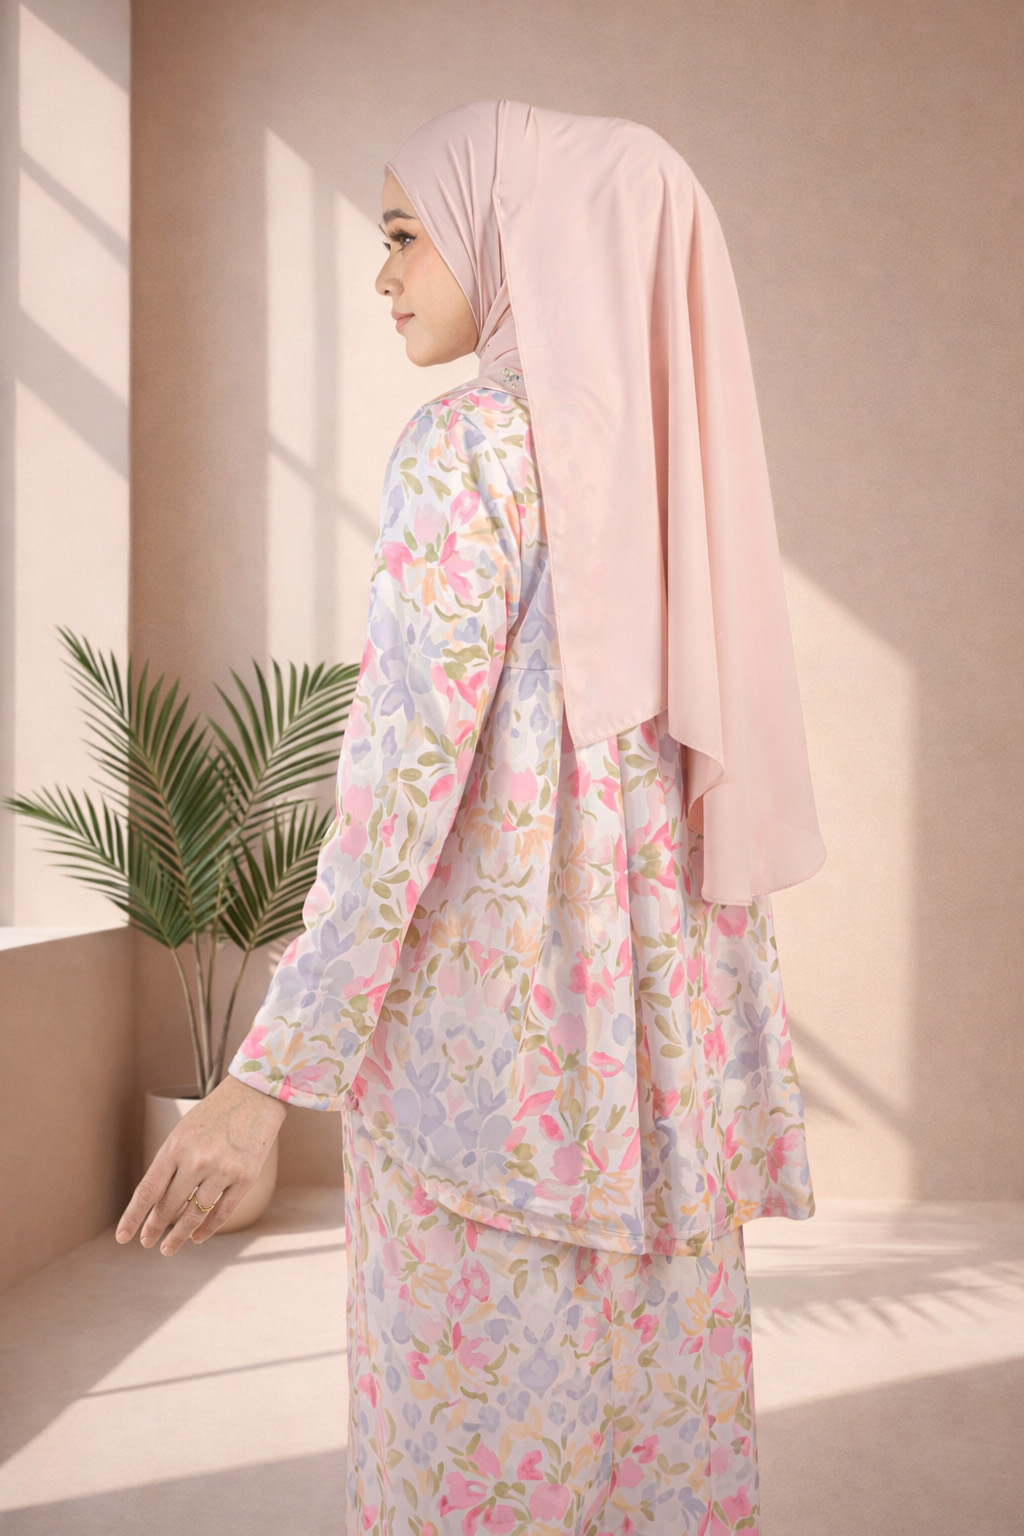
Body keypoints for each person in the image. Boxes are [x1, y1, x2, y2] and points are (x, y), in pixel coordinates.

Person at [116, 99, 826, 1534]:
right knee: (655, 1475)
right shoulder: (681, 478)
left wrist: (263, 1084)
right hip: (666, 1086)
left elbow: (396, 791)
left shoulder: (469, 450)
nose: (383, 275)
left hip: (487, 1081)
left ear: (518, 238)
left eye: (405, 234)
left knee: (470, 1467)